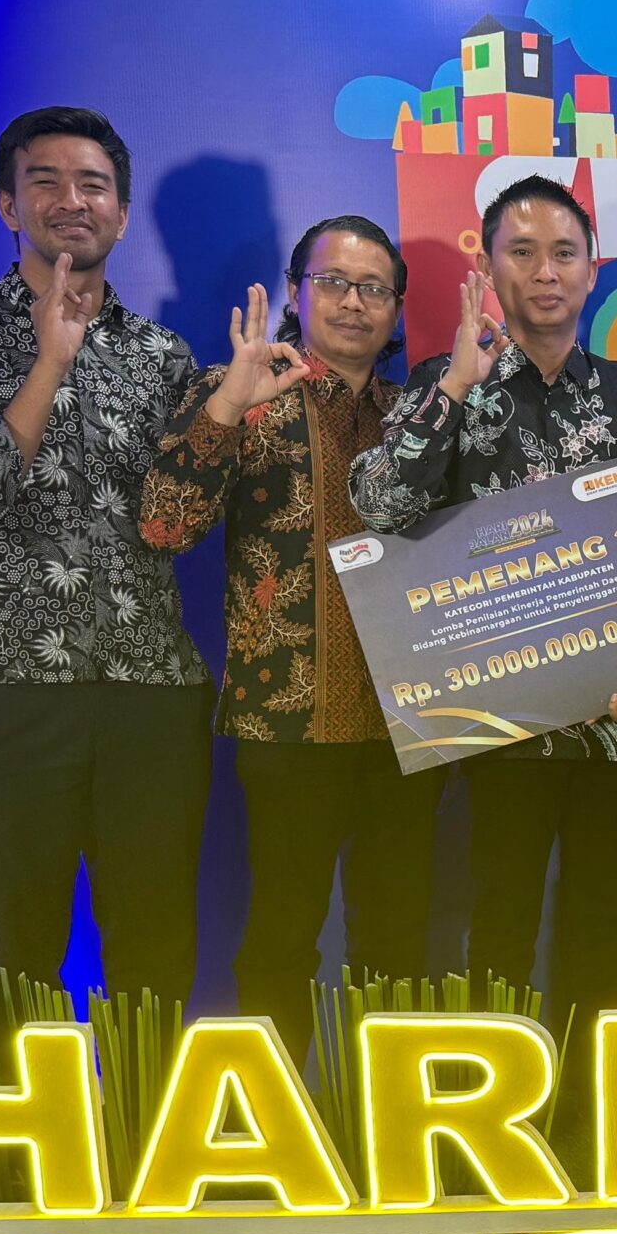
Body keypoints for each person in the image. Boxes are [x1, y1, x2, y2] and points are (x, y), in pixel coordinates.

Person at [349, 174, 617, 1043]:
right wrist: (458, 385)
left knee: (604, 920)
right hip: (495, 726)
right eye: (523, 252)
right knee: (498, 922)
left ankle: (587, 1106)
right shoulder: (445, 384)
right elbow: (378, 507)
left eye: (564, 253)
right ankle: (504, 1105)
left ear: (592, 270)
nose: (545, 271)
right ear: (489, 267)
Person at [0, 107, 207, 1001]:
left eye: (93, 185)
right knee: (18, 952)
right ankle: (33, 1103)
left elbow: (179, 525)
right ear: (8, 205)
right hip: (4, 693)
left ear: (121, 212)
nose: (72, 200)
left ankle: (147, 1097)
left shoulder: (162, 356)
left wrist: (225, 417)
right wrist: (49, 365)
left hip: (149, 690)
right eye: (47, 182)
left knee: (155, 951)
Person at [139, 216, 440, 1057]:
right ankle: (276, 1121)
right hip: (287, 722)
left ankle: (389, 1122)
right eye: (333, 282)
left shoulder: (416, 415)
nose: (353, 302)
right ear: (296, 293)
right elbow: (164, 526)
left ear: (396, 309)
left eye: (374, 288)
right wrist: (228, 408)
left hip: (411, 724)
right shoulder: (243, 391)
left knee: (399, 944)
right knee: (280, 934)